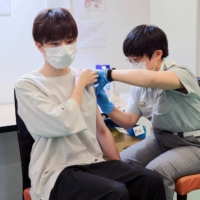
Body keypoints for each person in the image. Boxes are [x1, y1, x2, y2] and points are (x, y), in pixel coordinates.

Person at [15, 9, 166, 200]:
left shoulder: (83, 78)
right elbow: (64, 123)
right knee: (115, 193)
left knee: (151, 181)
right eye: (55, 43)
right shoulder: (28, 85)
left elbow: (101, 131)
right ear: (40, 46)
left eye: (70, 41)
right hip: (56, 171)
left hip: (90, 163)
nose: (64, 47)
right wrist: (79, 84)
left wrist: (120, 168)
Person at [96, 24, 200, 200]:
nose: (132, 65)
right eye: (129, 60)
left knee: (157, 172)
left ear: (158, 54)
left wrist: (109, 73)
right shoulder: (139, 85)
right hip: (160, 139)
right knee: (121, 165)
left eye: (136, 60)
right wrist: (107, 107)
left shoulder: (181, 73)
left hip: (193, 144)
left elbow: (151, 79)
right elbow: (129, 120)